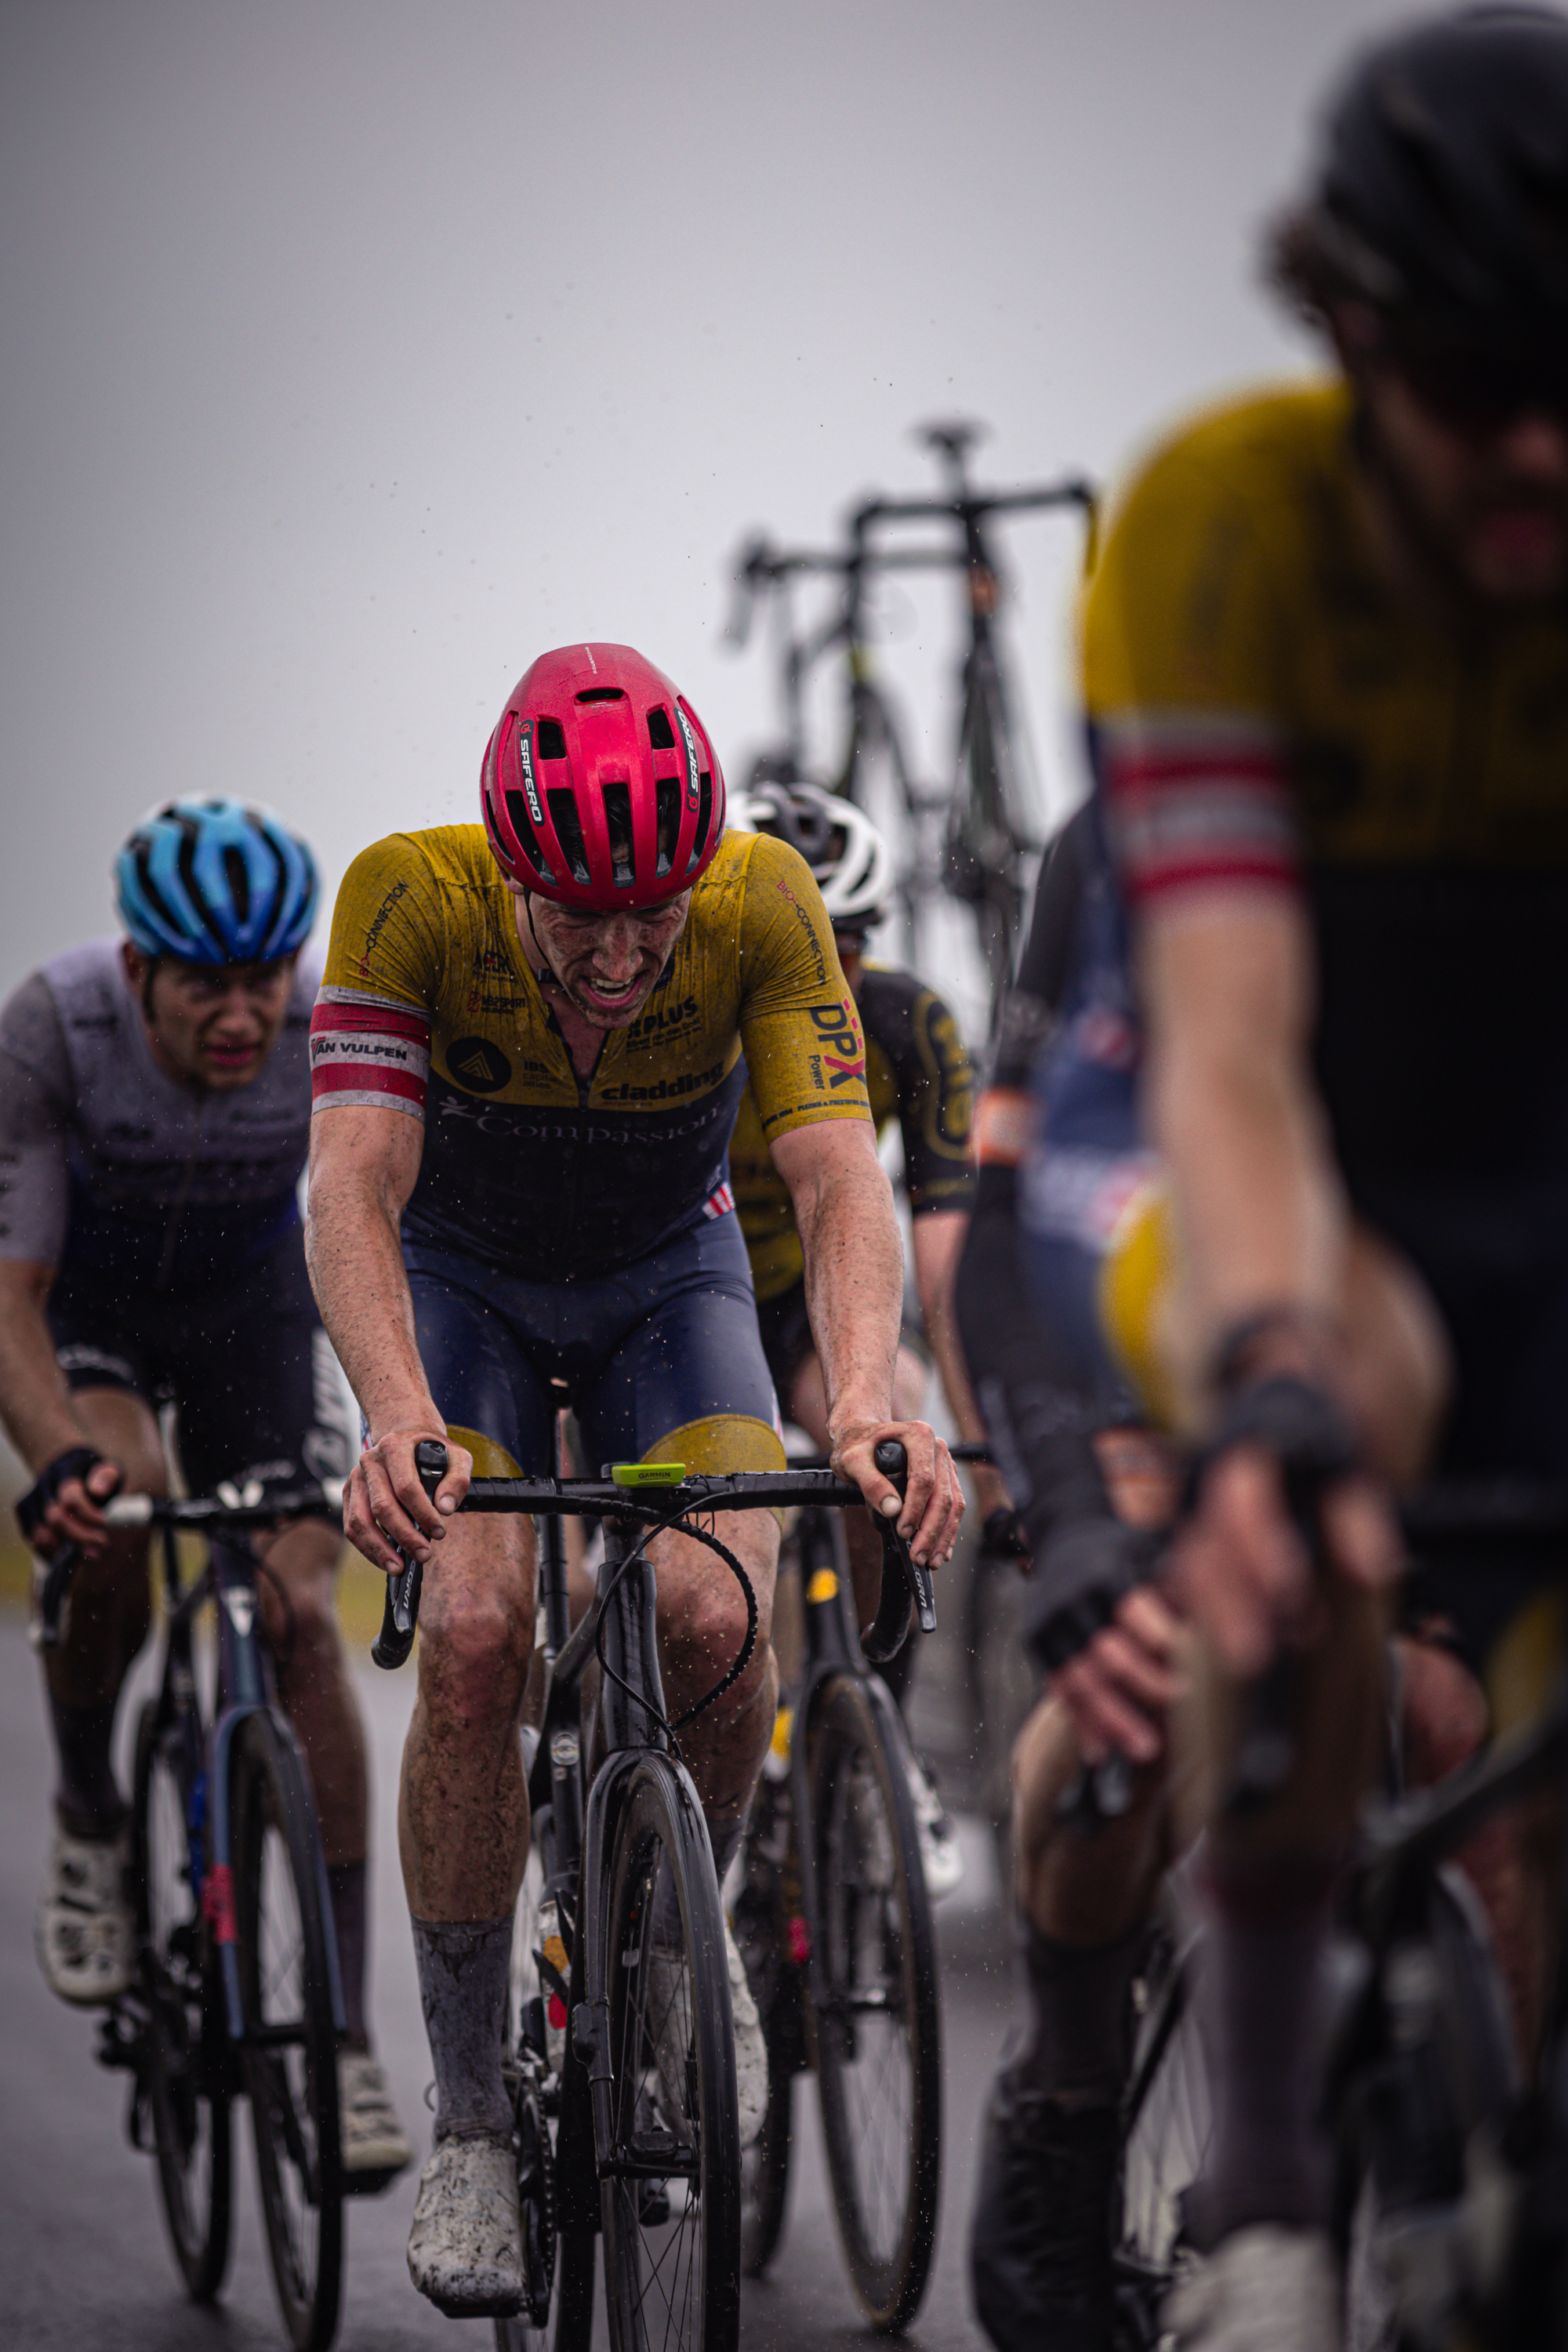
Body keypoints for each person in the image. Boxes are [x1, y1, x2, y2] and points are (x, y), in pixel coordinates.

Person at [967, 11, 1568, 2347]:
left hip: (1512, 1168)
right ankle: (1227, 2185)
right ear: (1354, 342)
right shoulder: (1206, 603)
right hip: (1241, 1205)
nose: (1537, 448)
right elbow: (1180, 1103)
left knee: (1481, 1741)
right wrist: (1107, 1502)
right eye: (1476, 385)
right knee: (1212, 1632)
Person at [304, 642, 963, 2319]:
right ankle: (465, 2117)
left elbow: (834, 1181)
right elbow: (354, 1185)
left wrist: (874, 1398)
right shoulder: (410, 900)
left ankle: (698, 1945)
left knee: (709, 1600)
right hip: (463, 1290)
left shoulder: (757, 903)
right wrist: (393, 1413)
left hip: (673, 1291)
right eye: (576, 915)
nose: (614, 953)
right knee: (466, 1631)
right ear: (511, 863)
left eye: (646, 918)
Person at [0, 797, 412, 2184]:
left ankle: (344, 2039)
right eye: (204, 987)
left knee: (300, 1618)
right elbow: (11, 1294)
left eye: (262, 982)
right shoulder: (54, 1031)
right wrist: (56, 1455)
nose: (241, 1017)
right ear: (139, 976)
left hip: (253, 1315)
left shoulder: (327, 1026)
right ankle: (87, 1817)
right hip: (98, 1310)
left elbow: (384, 1212)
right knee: (117, 1509)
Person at [726, 780, 1012, 1893]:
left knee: (893, 1437)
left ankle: (865, 1737)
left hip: (804, 1304)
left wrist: (984, 1454)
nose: (823, 975)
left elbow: (943, 1257)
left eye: (846, 947)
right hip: (676, 1300)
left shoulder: (906, 1024)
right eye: (798, 943)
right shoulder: (693, 1019)